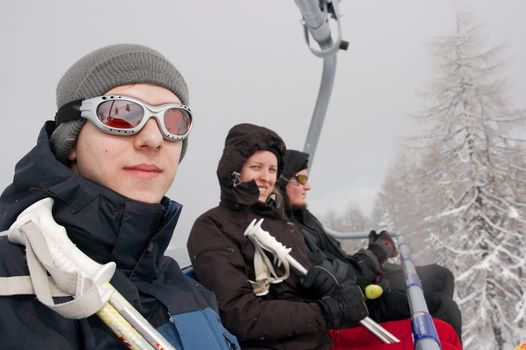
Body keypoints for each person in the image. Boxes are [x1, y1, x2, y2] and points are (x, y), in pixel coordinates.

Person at [0, 43, 239, 349]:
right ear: (71, 141)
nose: (153, 139)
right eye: (122, 113)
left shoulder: (185, 289)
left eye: (173, 121)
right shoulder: (11, 282)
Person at [187, 123, 373, 350]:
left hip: (318, 339)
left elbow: (289, 291)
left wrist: (316, 287)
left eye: (273, 170)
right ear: (235, 170)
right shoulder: (212, 227)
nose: (266, 178)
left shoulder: (281, 221)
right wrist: (326, 311)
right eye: (256, 167)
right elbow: (240, 315)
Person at [278, 149, 463, 340]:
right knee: (443, 307)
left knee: (440, 277)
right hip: (350, 307)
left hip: (359, 291)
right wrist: (376, 254)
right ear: (282, 182)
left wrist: (373, 261)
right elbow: (333, 275)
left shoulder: (305, 218)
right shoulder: (289, 229)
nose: (307, 186)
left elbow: (339, 260)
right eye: (300, 180)